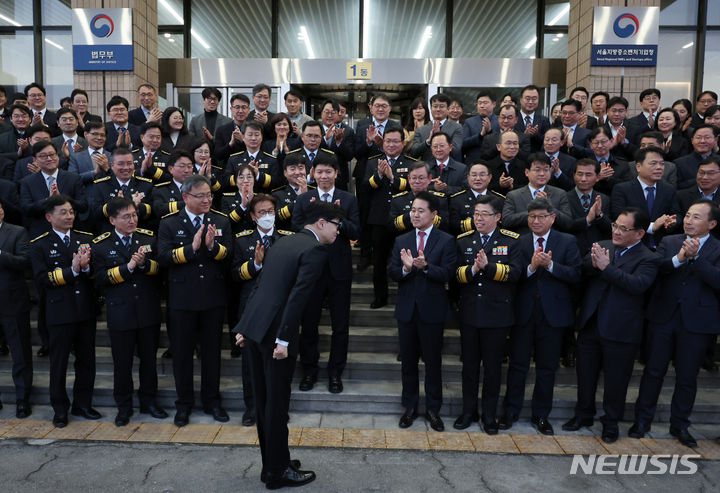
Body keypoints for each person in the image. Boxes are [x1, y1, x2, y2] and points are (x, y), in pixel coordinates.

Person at [234, 200, 344, 490]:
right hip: (275, 336)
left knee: (263, 402)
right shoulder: (316, 249)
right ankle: (277, 472)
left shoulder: (283, 242)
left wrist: (245, 326)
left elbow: (260, 287)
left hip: (257, 329)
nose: (338, 231)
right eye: (336, 225)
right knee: (277, 405)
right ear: (321, 223)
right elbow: (298, 297)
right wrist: (283, 339)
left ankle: (272, 462)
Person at [563, 207, 659, 444]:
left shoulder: (649, 258)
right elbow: (584, 267)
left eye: (623, 229)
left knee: (616, 381)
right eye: (615, 225)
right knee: (585, 375)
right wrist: (594, 262)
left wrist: (606, 267)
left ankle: (611, 422)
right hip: (591, 322)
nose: (616, 231)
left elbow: (637, 285)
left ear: (639, 233)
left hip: (621, 329)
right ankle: (583, 414)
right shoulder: (604, 244)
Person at [630, 200, 720, 448]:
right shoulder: (669, 241)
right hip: (663, 317)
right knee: (653, 371)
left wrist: (697, 259)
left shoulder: (718, 248)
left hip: (697, 323)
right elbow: (656, 270)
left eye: (697, 217)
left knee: (687, 377)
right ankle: (642, 420)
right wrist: (680, 258)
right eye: (688, 215)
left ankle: (680, 425)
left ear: (712, 224)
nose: (689, 221)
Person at [500, 198, 582, 435]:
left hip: (553, 315)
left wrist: (551, 265)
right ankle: (510, 412)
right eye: (532, 217)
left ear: (552, 218)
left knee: (547, 368)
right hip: (523, 313)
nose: (535, 221)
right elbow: (512, 276)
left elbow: (576, 274)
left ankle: (541, 415)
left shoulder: (567, 241)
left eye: (541, 217)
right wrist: (532, 267)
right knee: (518, 366)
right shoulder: (519, 242)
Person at [157, 174, 232, 427]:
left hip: (212, 298)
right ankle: (184, 404)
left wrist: (211, 248)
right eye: (201, 196)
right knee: (182, 355)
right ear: (185, 197)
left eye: (209, 195)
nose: (207, 200)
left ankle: (212, 401)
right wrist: (192, 248)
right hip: (182, 300)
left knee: (211, 355)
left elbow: (229, 255)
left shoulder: (221, 220)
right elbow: (164, 257)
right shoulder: (169, 223)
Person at [92, 197, 167, 426]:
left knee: (149, 361)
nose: (132, 220)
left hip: (147, 309)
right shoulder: (101, 244)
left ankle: (149, 401)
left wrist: (144, 265)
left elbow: (160, 271)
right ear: (113, 220)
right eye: (126, 217)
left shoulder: (147, 238)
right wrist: (129, 267)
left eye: (134, 215)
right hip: (120, 312)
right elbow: (100, 279)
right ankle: (123, 406)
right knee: (122, 364)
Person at [389, 191, 457, 432]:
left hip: (432, 311)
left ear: (433, 214)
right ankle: (409, 407)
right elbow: (393, 272)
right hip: (407, 311)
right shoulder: (401, 240)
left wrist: (426, 267)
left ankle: (433, 409)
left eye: (420, 211)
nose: (415, 215)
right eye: (412, 210)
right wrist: (407, 270)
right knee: (407, 362)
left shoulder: (446, 240)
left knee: (432, 363)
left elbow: (448, 273)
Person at [29, 194, 98, 428]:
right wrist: (73, 270)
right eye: (63, 213)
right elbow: (42, 280)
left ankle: (83, 404)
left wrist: (86, 268)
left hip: (84, 311)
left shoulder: (85, 239)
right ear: (49, 217)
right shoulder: (40, 244)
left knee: (87, 362)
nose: (69, 216)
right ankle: (60, 409)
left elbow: (95, 275)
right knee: (58, 365)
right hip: (59, 313)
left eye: (71, 212)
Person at [453, 195, 520, 434]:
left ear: (498, 217)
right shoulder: (463, 240)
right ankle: (468, 411)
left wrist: (488, 267)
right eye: (476, 214)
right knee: (469, 367)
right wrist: (473, 268)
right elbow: (456, 276)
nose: (478, 219)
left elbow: (515, 273)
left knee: (492, 369)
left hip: (497, 314)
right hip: (470, 313)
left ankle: (489, 415)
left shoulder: (511, 241)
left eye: (484, 214)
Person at [293, 155, 360, 393]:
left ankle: (335, 373)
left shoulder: (348, 199)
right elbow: (296, 228)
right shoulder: (304, 199)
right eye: (319, 172)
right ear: (313, 173)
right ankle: (309, 371)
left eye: (328, 172)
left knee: (340, 326)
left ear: (336, 173)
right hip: (310, 271)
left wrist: (337, 222)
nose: (323, 176)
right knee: (308, 324)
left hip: (339, 271)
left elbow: (357, 230)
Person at [232, 194, 293, 425]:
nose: (267, 216)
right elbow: (235, 274)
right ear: (252, 216)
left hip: (280, 310)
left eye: (270, 212)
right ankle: (253, 409)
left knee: (279, 364)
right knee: (251, 364)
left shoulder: (287, 239)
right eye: (261, 213)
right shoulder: (241, 240)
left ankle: (279, 409)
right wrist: (256, 264)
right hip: (252, 309)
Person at [364, 127, 415, 307]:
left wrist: (393, 178)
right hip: (379, 219)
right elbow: (366, 187)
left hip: (404, 219)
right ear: (382, 143)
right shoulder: (373, 162)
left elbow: (413, 186)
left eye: (395, 141)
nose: (391, 145)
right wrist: (379, 175)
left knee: (407, 258)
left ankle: (407, 295)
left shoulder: (410, 163)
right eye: (388, 141)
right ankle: (380, 296)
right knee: (378, 260)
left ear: (403, 143)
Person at [0, 196, 33, 418]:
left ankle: (23, 399)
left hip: (12, 301)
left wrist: (1, 255)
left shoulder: (17, 232)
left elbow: (24, 262)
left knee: (20, 353)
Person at [610, 146, 678, 249]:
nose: (659, 167)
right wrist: (651, 227)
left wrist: (671, 222)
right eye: (653, 163)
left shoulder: (668, 189)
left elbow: (677, 215)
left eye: (662, 164)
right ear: (638, 167)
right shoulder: (622, 189)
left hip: (661, 247)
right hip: (632, 247)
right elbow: (618, 218)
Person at [21, 140, 87, 238]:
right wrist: (48, 201)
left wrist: (62, 199)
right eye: (43, 156)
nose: (49, 159)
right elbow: (26, 209)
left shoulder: (73, 178)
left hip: (71, 233)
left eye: (52, 154)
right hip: (41, 234)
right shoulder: (27, 182)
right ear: (35, 160)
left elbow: (83, 206)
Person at [501, 153, 572, 235]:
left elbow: (568, 223)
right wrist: (533, 213)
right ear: (527, 172)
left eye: (546, 170)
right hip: (522, 242)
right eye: (537, 170)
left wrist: (548, 206)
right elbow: (506, 221)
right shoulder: (513, 195)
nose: (542, 174)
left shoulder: (560, 193)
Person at [91, 148, 154, 232]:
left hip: (137, 235)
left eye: (129, 163)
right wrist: (114, 205)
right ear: (112, 165)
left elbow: (153, 213)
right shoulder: (101, 185)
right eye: (121, 164)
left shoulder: (145, 185)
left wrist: (137, 206)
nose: (126, 168)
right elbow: (95, 213)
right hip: (110, 235)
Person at [565, 158, 612, 256]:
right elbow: (564, 225)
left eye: (588, 175)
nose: (583, 179)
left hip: (597, 253)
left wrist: (599, 215)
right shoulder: (564, 197)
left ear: (598, 177)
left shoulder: (605, 199)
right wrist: (587, 220)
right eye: (580, 174)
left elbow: (610, 229)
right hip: (572, 251)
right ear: (574, 175)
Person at [389, 162, 449, 233]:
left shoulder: (440, 199)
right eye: (414, 178)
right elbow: (391, 227)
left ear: (429, 179)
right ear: (409, 179)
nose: (417, 181)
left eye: (421, 178)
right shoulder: (398, 200)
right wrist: (411, 215)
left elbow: (445, 227)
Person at [449, 162, 505, 235]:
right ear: (468, 177)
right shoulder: (456, 199)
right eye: (474, 175)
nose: (478, 178)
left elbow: (503, 224)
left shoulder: (499, 199)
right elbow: (453, 226)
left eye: (482, 175)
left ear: (490, 177)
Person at [224, 121, 280, 192]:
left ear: (262, 137)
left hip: (262, 199)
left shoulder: (271, 160)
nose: (253, 138)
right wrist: (241, 176)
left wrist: (258, 175)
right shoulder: (234, 159)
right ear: (243, 137)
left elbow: (276, 183)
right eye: (250, 135)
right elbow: (226, 181)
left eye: (257, 135)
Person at [409, 93, 463, 162]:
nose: (438, 109)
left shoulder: (456, 127)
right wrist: (427, 142)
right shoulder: (421, 130)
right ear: (431, 108)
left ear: (448, 109)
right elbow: (414, 153)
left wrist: (440, 136)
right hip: (428, 169)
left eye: (442, 106)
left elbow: (456, 151)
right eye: (435, 106)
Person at [676, 158, 720, 233]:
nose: (705, 177)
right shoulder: (681, 196)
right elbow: (677, 222)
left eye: (710, 173)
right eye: (701, 173)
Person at [318, 99, 355, 191]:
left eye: (333, 112)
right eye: (326, 112)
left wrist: (339, 143)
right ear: (321, 113)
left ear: (338, 114)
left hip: (339, 178)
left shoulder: (347, 131)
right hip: (318, 178)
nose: (330, 115)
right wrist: (325, 139)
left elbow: (349, 156)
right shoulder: (314, 128)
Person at [586, 126, 633, 196]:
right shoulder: (584, 164)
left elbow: (629, 187)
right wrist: (597, 178)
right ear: (590, 145)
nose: (600, 146)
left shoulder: (622, 164)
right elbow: (580, 186)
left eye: (603, 142)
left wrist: (609, 179)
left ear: (611, 141)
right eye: (596, 142)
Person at [67, 121, 112, 189]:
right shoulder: (76, 157)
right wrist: (94, 172)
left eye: (102, 135)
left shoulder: (112, 156)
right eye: (95, 134)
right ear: (85, 134)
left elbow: (120, 178)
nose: (99, 138)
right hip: (85, 196)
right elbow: (72, 179)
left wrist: (107, 169)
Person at [675, 124, 719, 190]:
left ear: (716, 140)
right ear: (692, 140)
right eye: (698, 137)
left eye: (707, 137)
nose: (702, 141)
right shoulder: (679, 163)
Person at [462, 91, 500, 164]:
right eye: (479, 103)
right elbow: (463, 144)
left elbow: (502, 142)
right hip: (473, 163)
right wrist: (480, 135)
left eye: (485, 103)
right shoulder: (469, 122)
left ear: (494, 104)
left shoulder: (500, 121)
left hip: (494, 163)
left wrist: (489, 131)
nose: (482, 106)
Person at [214, 93, 251, 163]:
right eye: (237, 107)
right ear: (231, 109)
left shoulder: (255, 129)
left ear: (249, 110)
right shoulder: (221, 130)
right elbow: (218, 155)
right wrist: (230, 144)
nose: (240, 111)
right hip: (228, 171)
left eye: (244, 107)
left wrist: (243, 140)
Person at [515, 84, 551, 152]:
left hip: (536, 158)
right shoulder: (514, 118)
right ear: (521, 100)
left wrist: (536, 135)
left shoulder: (544, 120)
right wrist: (524, 135)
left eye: (534, 99)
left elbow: (548, 142)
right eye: (527, 99)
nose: (531, 102)